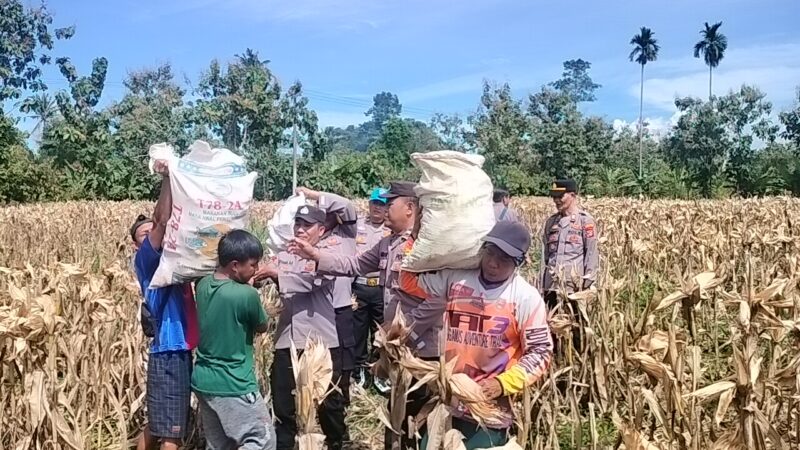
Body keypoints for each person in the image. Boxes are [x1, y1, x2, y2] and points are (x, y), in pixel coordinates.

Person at [288, 181, 437, 450]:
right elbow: (354, 264)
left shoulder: (424, 247)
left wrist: (408, 334)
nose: (384, 210)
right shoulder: (387, 244)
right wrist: (315, 254)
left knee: (419, 413)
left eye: (390, 204)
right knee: (397, 409)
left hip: (421, 349)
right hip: (398, 346)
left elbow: (436, 300)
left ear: (410, 208)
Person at [399, 221, 553, 449]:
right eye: (490, 252)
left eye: (504, 258)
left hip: (489, 408)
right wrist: (415, 234)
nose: (493, 263)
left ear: (519, 262)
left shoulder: (525, 298)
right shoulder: (456, 279)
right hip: (448, 398)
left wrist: (501, 384)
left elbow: (541, 352)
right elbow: (408, 281)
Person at [254, 205, 346, 450]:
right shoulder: (284, 255)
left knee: (330, 405)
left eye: (307, 225)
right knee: (284, 406)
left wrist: (277, 275)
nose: (301, 230)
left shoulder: (327, 256)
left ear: (321, 230)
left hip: (321, 344)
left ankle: (336, 444)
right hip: (288, 341)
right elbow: (266, 275)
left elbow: (311, 283)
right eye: (298, 224)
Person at [131, 161, 199, 450]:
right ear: (138, 245)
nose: (153, 235)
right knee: (171, 434)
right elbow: (162, 221)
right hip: (169, 350)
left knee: (159, 422)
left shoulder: (176, 263)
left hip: (177, 351)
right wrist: (169, 177)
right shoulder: (148, 260)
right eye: (144, 235)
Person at [191, 229, 275, 450]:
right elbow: (262, 326)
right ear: (235, 265)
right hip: (234, 382)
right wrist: (250, 292)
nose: (256, 270)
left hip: (203, 380)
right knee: (262, 440)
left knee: (219, 445)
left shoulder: (202, 285)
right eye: (253, 265)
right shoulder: (245, 295)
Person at [296, 186, 359, 443]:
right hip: (312, 315)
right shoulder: (300, 242)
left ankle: (337, 428)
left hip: (339, 308)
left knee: (340, 366)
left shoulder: (345, 236)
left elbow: (347, 206)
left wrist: (311, 194)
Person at [352, 187, 391, 389]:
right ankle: (359, 370)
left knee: (380, 331)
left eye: (382, 204)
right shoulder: (357, 225)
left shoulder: (391, 229)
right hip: (359, 285)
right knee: (358, 331)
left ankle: (378, 371)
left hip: (380, 288)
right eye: (375, 203)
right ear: (369, 204)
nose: (377, 208)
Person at [541, 179, 599, 308]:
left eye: (560, 196)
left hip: (574, 289)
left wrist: (586, 284)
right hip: (552, 287)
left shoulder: (585, 221)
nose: (556, 200)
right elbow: (546, 256)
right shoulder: (551, 222)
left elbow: (591, 254)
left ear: (572, 195)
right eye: (554, 196)